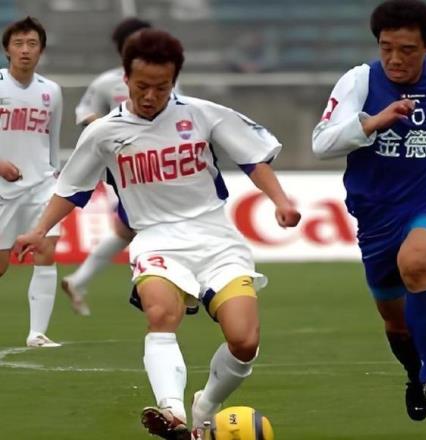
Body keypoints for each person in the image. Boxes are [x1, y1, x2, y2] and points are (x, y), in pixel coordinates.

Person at [15, 28, 301, 439]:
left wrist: (281, 201)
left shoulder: (203, 114)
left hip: (216, 238)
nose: (150, 95)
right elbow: (72, 189)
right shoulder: (103, 132)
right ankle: (173, 413)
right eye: (142, 86)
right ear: (126, 78)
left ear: (174, 80)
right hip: (155, 238)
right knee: (161, 315)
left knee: (244, 341)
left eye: (161, 87)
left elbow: (253, 160)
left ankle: (205, 405)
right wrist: (39, 229)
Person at [312, 0, 426, 421]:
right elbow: (321, 143)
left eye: (407, 50)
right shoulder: (360, 81)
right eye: (386, 48)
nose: (395, 58)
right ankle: (416, 376)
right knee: (396, 323)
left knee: (415, 263)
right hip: (377, 219)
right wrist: (372, 122)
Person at [63, 17, 157, 316]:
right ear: (122, 48)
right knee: (147, 224)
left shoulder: (165, 76)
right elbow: (84, 112)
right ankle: (152, 285)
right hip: (125, 168)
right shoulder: (107, 82)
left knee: (128, 229)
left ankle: (78, 281)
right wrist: (108, 129)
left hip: (161, 163)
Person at [0, 16, 62, 347]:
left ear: (41, 51)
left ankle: (37, 333)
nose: (25, 50)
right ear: (7, 50)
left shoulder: (51, 91)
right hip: (3, 190)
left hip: (42, 185)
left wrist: (56, 172)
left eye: (32, 44)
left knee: (46, 248)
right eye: (19, 44)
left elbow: (53, 138)